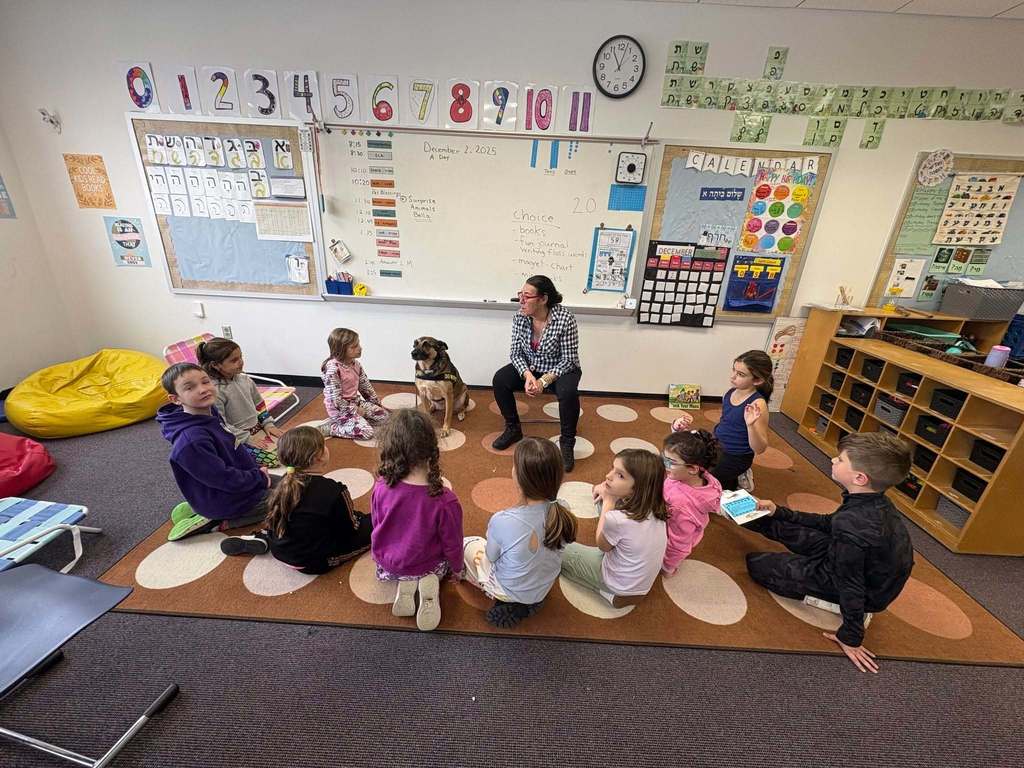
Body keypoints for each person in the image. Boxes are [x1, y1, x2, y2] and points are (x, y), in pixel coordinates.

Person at [744, 432, 914, 673]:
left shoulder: (854, 529)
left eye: (841, 460)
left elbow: (851, 583)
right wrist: (779, 512)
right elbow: (829, 523)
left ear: (860, 477)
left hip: (861, 586)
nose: (834, 460)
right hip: (847, 554)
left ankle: (828, 600)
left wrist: (852, 636)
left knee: (756, 564)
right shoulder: (870, 502)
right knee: (777, 524)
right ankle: (751, 516)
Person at [220, 426, 373, 571]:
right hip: (313, 561)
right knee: (375, 525)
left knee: (301, 521)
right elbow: (349, 531)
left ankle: (265, 537)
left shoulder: (286, 482)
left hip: (279, 549)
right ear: (318, 457)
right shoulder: (335, 490)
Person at [463, 438, 577, 628]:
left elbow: (491, 557)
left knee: (468, 544)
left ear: (519, 477)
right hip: (542, 587)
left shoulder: (502, 520)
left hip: (508, 588)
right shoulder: (563, 510)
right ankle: (529, 602)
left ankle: (504, 599)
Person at [370, 409, 464, 632]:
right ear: (432, 448)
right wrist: (457, 570)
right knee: (459, 553)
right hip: (428, 565)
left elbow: (376, 522)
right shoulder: (445, 501)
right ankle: (427, 583)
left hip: (387, 566)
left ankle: (407, 583)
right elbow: (453, 544)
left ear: (391, 448)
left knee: (407, 561)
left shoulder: (381, 486)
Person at [156, 363, 270, 541]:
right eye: (190, 387)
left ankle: (203, 508)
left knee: (291, 485)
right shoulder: (191, 440)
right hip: (228, 496)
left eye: (205, 381)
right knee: (285, 502)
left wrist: (256, 470)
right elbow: (223, 478)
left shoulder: (209, 412)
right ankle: (218, 522)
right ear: (176, 399)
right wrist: (259, 478)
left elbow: (231, 446)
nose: (203, 389)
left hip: (238, 482)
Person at [491, 275, 582, 472]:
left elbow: (568, 360)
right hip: (531, 367)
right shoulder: (519, 316)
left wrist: (543, 380)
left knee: (568, 393)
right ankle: (513, 428)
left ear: (543, 299)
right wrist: (528, 376)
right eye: (520, 295)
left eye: (527, 296)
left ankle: (567, 442)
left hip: (561, 368)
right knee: (500, 380)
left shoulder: (565, 318)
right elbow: (515, 352)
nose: (521, 300)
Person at [559, 449, 668, 607]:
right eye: (613, 469)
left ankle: (607, 594)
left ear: (638, 488)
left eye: (620, 475)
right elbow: (604, 491)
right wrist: (606, 492)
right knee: (605, 504)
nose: (608, 476)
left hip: (618, 586)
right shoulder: (656, 507)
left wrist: (609, 501)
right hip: (640, 585)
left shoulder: (618, 519)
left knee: (557, 548)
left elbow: (602, 546)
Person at [673, 350, 771, 491]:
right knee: (685, 465)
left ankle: (739, 476)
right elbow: (727, 422)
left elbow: (760, 449)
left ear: (757, 380)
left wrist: (751, 426)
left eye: (740, 374)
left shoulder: (758, 405)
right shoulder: (730, 392)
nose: (733, 377)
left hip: (736, 456)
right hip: (716, 445)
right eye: (734, 370)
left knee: (700, 484)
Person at [196, 336, 282, 468]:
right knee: (275, 459)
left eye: (241, 357)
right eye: (234, 360)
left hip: (257, 429)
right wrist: (247, 439)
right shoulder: (214, 391)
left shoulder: (245, 379)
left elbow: (259, 405)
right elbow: (220, 424)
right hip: (235, 439)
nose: (241, 362)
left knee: (290, 447)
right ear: (215, 365)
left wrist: (268, 424)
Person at [661, 428, 723, 575]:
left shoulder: (680, 504)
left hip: (669, 529)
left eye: (670, 462)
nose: (664, 465)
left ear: (693, 469)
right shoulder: (708, 479)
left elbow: (678, 543)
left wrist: (667, 566)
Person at [320, 327, 389, 440]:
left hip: (355, 402)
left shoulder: (355, 364)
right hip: (339, 409)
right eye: (354, 346)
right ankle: (332, 427)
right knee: (367, 432)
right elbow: (336, 401)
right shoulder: (333, 369)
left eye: (358, 344)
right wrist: (355, 410)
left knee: (386, 418)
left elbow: (365, 386)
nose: (360, 348)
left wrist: (376, 404)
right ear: (341, 349)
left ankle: (356, 421)